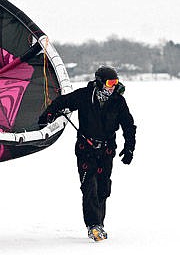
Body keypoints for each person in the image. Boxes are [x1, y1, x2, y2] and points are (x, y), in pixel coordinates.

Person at [38, 65, 136, 241]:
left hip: (106, 151)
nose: (112, 86)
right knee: (89, 186)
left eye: (115, 82)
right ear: (99, 82)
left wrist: (129, 148)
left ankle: (99, 224)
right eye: (109, 82)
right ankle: (93, 225)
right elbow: (62, 102)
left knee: (103, 189)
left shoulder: (118, 101)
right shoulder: (84, 96)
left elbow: (129, 125)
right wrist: (47, 115)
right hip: (86, 151)